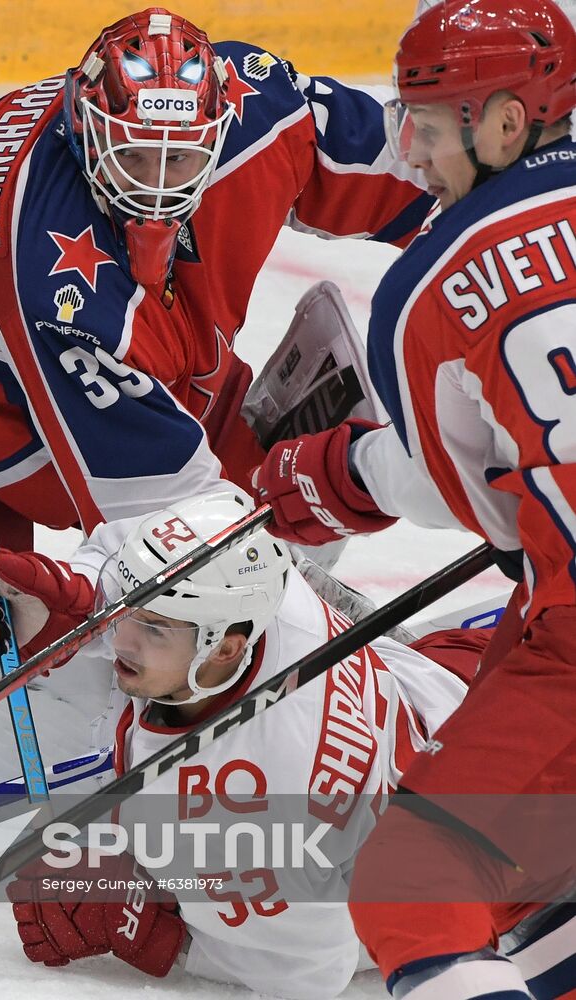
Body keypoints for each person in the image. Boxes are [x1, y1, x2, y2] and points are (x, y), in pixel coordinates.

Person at [0, 6, 432, 616]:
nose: (158, 183)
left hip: (64, 342)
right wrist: (299, 600)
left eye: (182, 158)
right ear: (83, 126)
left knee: (278, 500)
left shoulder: (262, 106)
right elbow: (164, 532)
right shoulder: (53, 284)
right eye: (134, 155)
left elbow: (431, 165)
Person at [250, 1, 576, 995]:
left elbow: (466, 495)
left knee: (413, 879)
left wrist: (330, 478)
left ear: (507, 124)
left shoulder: (431, 278)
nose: (410, 152)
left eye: (430, 127)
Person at [0, 489, 485, 998]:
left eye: (151, 627)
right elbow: (173, 532)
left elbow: (313, 971)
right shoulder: (252, 574)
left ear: (226, 648)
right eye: (123, 612)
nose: (119, 638)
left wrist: (148, 929)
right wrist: (75, 600)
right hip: (454, 688)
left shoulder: (225, 822)